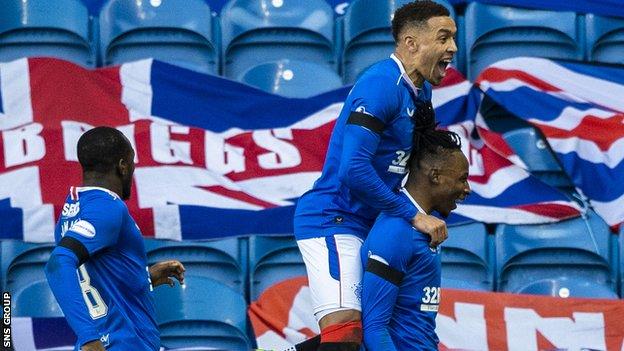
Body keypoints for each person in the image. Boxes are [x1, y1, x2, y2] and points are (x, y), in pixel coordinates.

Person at [292, 1, 458, 350]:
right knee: (347, 334)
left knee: (370, 334)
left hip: (373, 222)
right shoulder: (381, 86)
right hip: (334, 219)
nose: (453, 49)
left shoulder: (421, 91)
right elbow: (353, 169)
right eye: (444, 39)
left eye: (454, 39)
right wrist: (414, 215)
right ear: (412, 43)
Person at [45, 127, 185, 351]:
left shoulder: (72, 210)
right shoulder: (108, 207)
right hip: (124, 343)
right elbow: (58, 264)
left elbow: (96, 278)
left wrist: (144, 278)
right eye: (132, 162)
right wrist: (90, 340)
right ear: (122, 166)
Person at [361, 126, 470, 350]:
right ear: (435, 176)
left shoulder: (426, 226)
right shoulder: (396, 230)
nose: (466, 189)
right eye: (462, 179)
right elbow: (373, 327)